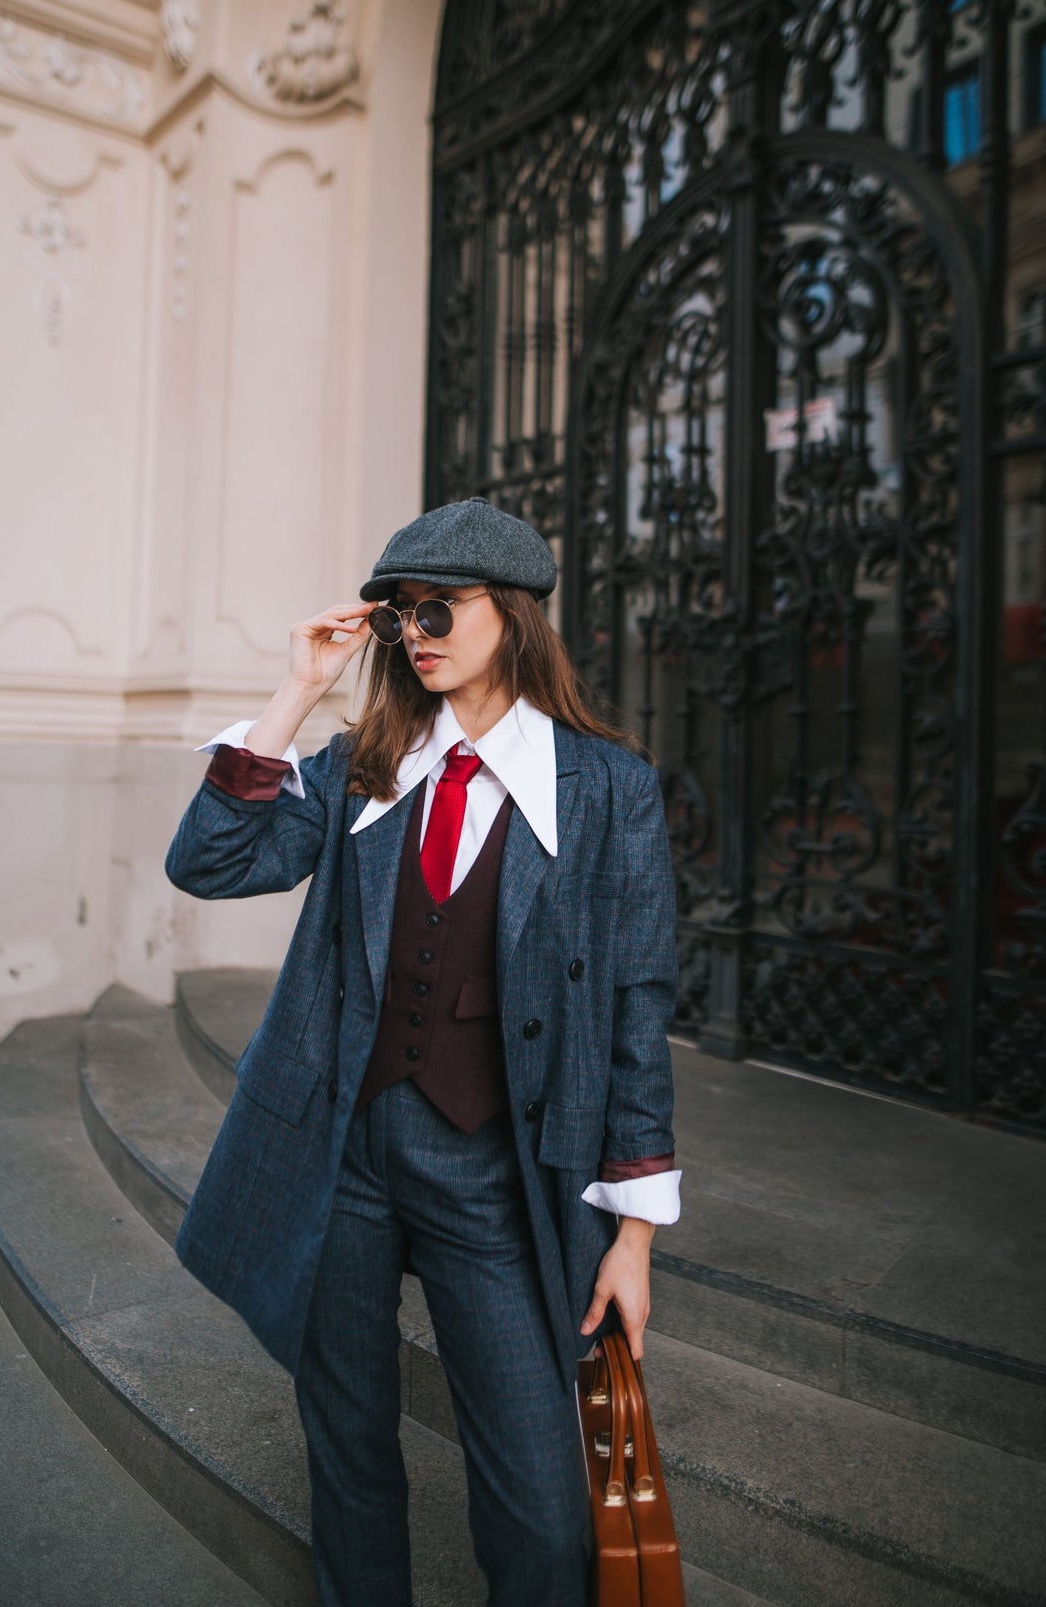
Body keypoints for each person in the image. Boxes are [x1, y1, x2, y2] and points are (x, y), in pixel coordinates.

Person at [165, 497, 680, 1607]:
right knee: (349, 1453)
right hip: (344, 1157)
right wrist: (299, 687)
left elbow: (639, 1006)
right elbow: (210, 863)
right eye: (401, 613)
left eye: (440, 607)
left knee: (544, 1511)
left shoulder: (608, 791)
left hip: (492, 1176)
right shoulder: (371, 760)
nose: (417, 632)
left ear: (516, 616)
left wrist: (633, 1231)